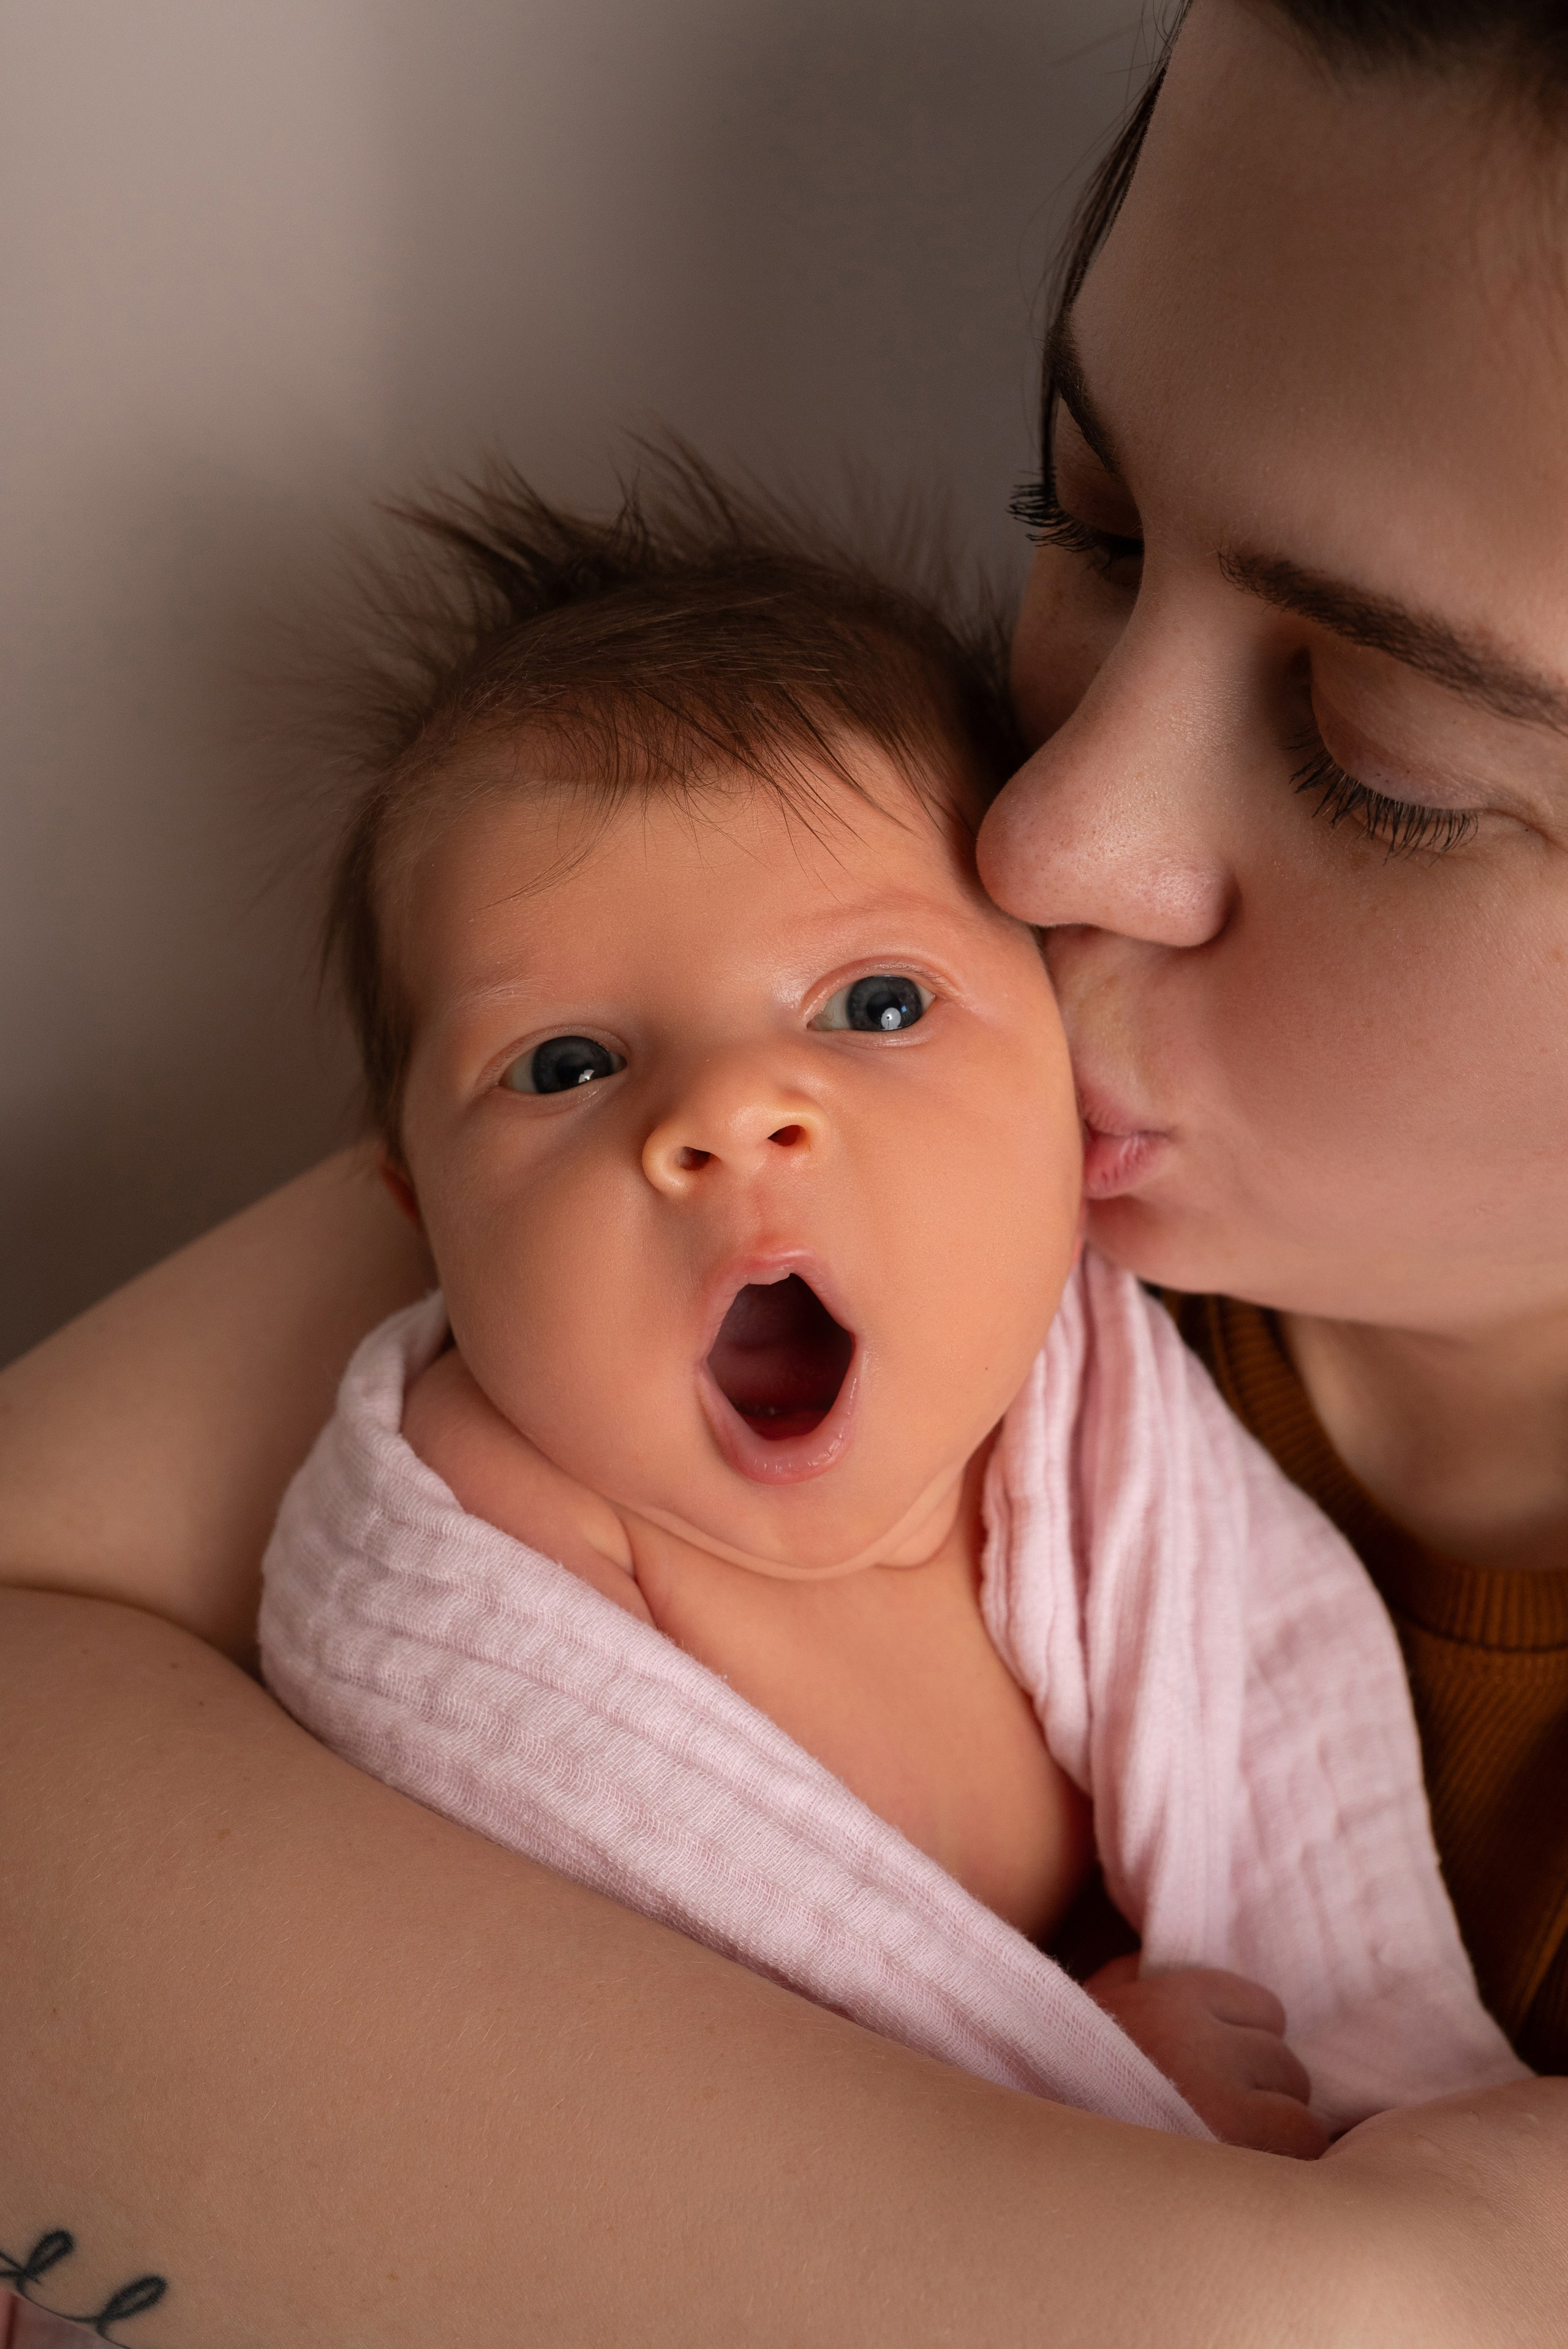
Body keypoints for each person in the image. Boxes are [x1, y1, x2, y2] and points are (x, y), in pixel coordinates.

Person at [6, 1, 1568, 2342]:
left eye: (1382, 755)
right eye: (1093, 526)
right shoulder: (775, 1052)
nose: (1042, 832)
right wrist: (1263, 2284)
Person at [254, 460, 1512, 2168]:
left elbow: (1275, 1805)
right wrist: (1082, 2094)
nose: (732, 1112)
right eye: (568, 1063)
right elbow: (576, 2080)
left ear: (1069, 1073)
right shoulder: (498, 1546)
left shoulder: (1098, 1446)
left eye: (874, 1002)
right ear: (418, 1207)